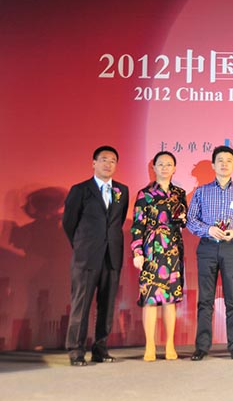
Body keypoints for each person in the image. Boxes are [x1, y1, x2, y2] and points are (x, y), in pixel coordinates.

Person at [62, 145, 130, 366]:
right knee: (81, 305)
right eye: (103, 160)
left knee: (107, 305)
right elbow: (69, 223)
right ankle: (76, 350)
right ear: (93, 163)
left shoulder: (122, 191)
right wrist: (82, 245)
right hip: (87, 257)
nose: (108, 164)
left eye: (112, 161)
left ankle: (100, 348)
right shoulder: (80, 190)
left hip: (112, 256)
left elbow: (117, 222)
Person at [187, 145, 233, 360]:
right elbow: (190, 220)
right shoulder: (201, 191)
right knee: (205, 299)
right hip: (207, 246)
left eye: (228, 161)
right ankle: (202, 347)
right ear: (213, 165)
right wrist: (208, 229)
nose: (224, 164)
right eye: (220, 161)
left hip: (231, 247)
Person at [131, 151, 187, 361]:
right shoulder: (144, 194)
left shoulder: (179, 193)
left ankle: (170, 344)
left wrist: (183, 219)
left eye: (169, 164)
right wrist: (137, 251)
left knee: (170, 299)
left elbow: (183, 221)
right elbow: (137, 225)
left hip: (173, 248)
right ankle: (150, 345)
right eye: (160, 164)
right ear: (153, 168)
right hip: (151, 250)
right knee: (150, 299)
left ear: (174, 168)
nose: (165, 168)